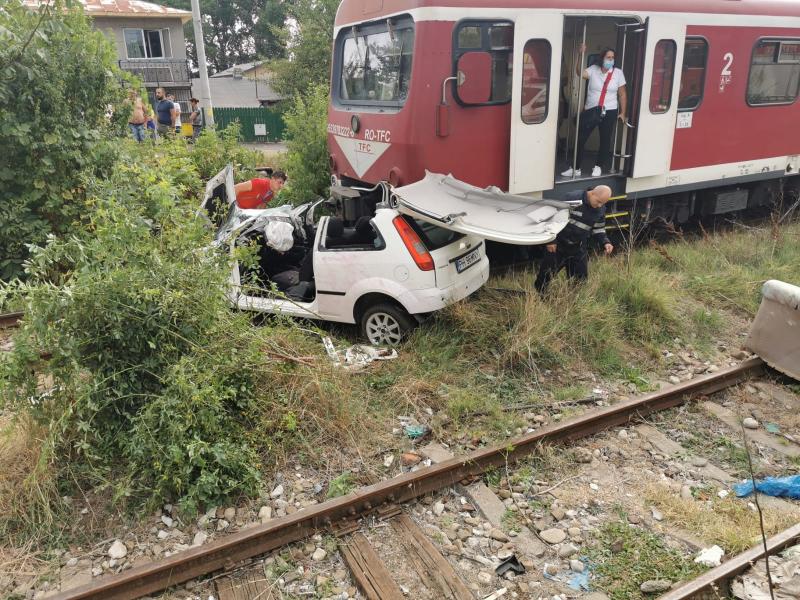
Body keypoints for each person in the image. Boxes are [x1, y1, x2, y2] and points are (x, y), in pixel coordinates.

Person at [534, 185, 614, 293]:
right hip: (559, 246)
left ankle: (573, 304)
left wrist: (605, 242)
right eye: (598, 201)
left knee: (580, 282)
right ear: (592, 193)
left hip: (578, 248)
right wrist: (551, 241)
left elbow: (599, 228)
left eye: (602, 203)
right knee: (545, 277)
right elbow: (552, 218)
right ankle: (539, 297)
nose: (599, 205)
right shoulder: (572, 198)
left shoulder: (600, 209)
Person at [562, 46, 627, 178]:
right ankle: (576, 168)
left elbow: (622, 95)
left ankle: (598, 167)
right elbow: (579, 72)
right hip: (591, 110)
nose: (611, 60)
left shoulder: (618, 73)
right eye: (608, 57)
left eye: (613, 58)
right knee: (580, 138)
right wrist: (580, 55)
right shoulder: (593, 70)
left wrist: (623, 113)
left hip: (609, 111)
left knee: (604, 140)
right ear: (602, 58)